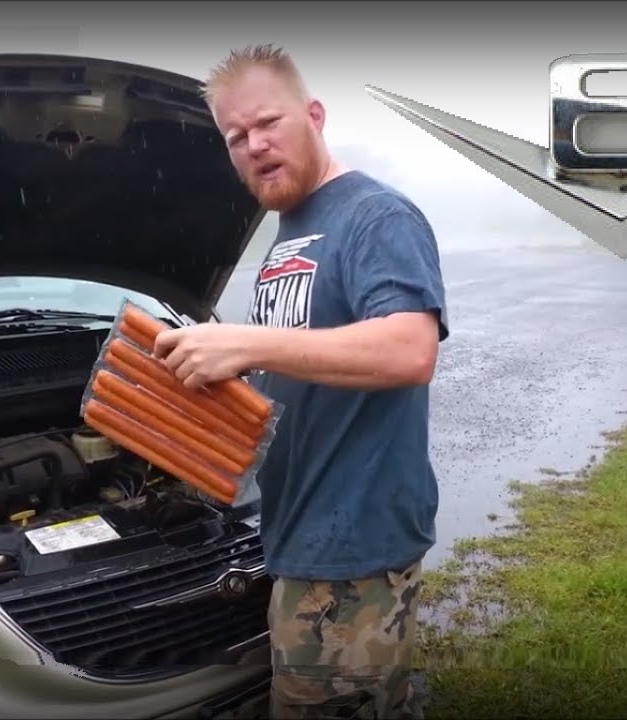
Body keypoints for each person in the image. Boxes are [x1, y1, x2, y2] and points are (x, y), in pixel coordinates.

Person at [151, 44, 449, 719]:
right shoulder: (291, 230)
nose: (254, 145)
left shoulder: (375, 217)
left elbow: (409, 350)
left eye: (268, 123)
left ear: (313, 114)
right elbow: (295, 367)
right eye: (236, 136)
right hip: (299, 537)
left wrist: (246, 341)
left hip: (353, 552)